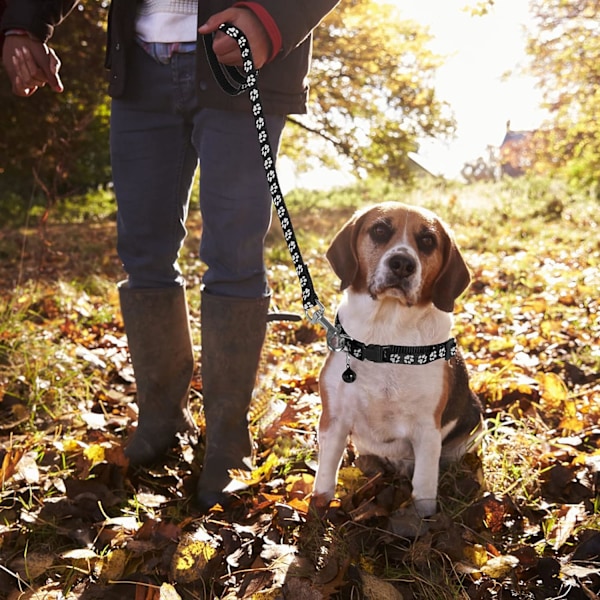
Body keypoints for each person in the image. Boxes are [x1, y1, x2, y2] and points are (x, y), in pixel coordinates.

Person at [1, 0, 338, 510]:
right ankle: (160, 419)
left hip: (240, 64)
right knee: (143, 255)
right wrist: (23, 24)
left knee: (235, 257)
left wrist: (268, 20)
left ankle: (228, 438)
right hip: (139, 68)